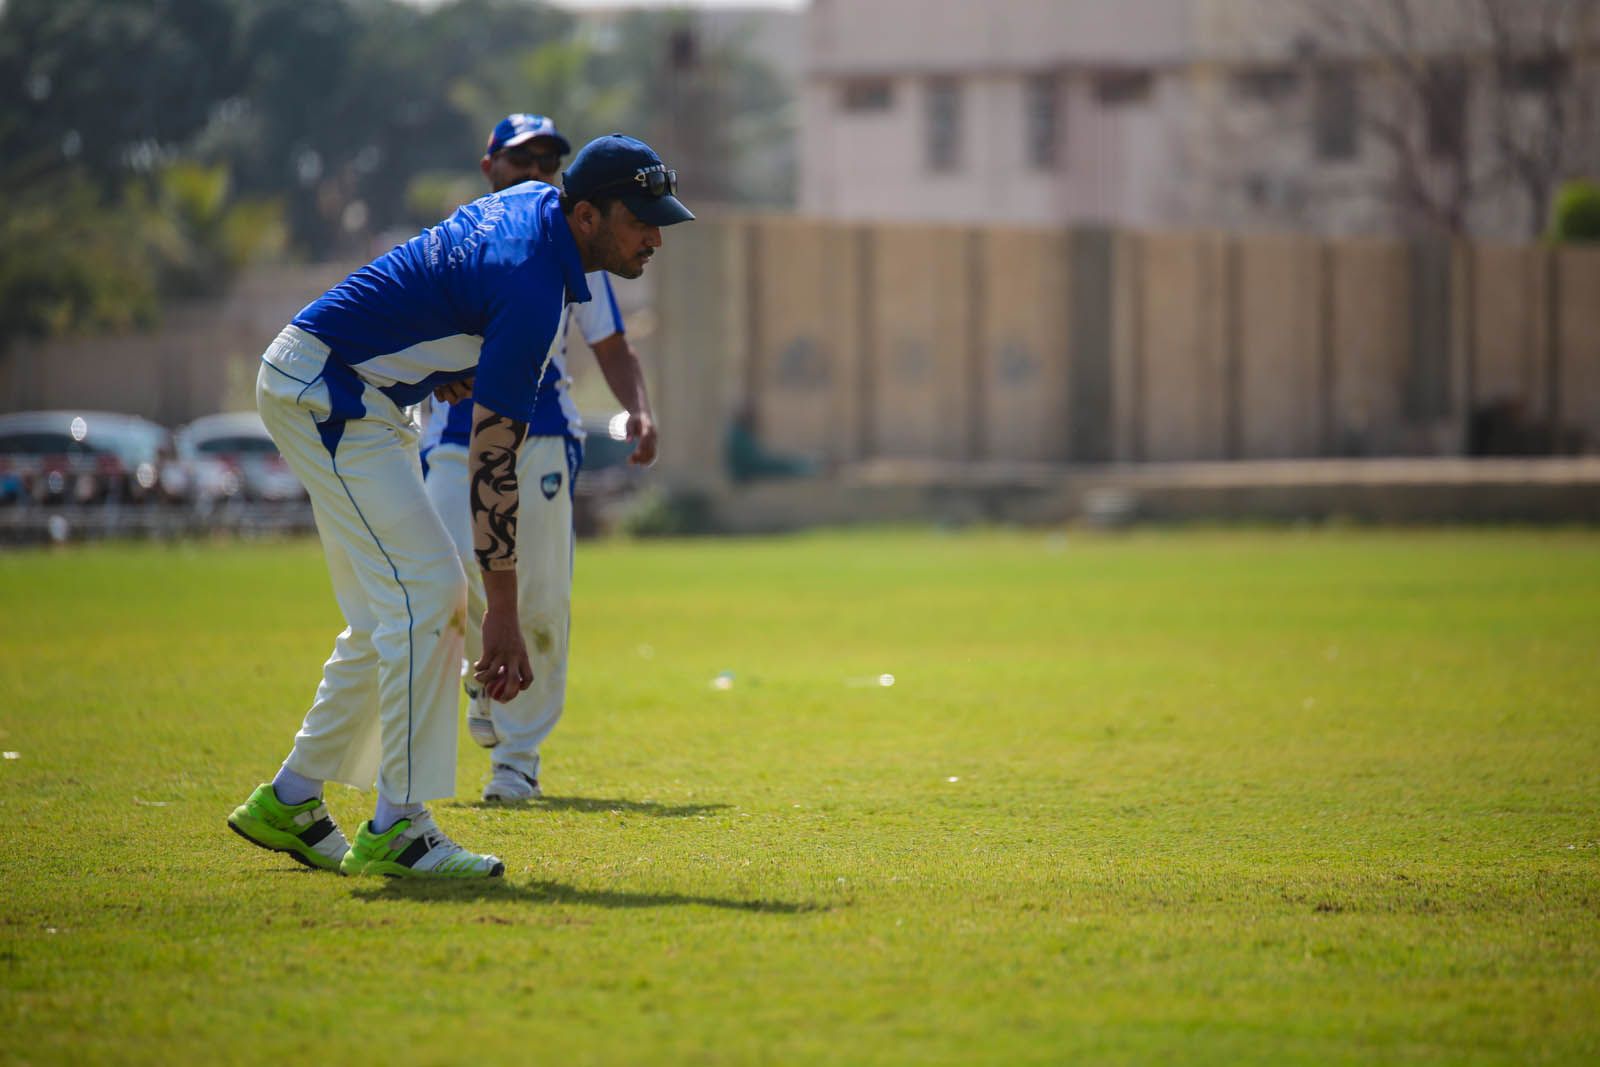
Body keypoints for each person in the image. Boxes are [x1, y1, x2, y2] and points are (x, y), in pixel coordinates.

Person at [227, 133, 694, 879]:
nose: (655, 238)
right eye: (640, 220)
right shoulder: (535, 288)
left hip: (337, 384)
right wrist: (501, 611)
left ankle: (291, 799)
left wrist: (438, 351)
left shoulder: (534, 206)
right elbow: (492, 460)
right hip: (333, 396)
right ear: (586, 217)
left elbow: (448, 272)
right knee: (435, 594)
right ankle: (401, 828)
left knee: (387, 617)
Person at [419, 113, 658, 803]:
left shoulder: (577, 249)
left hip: (544, 429)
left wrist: (639, 408)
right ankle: (484, 681)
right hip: (454, 434)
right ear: (488, 165)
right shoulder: (462, 237)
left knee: (542, 596)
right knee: (451, 577)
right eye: (520, 159)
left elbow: (611, 344)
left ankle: (517, 757)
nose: (534, 172)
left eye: (547, 162)